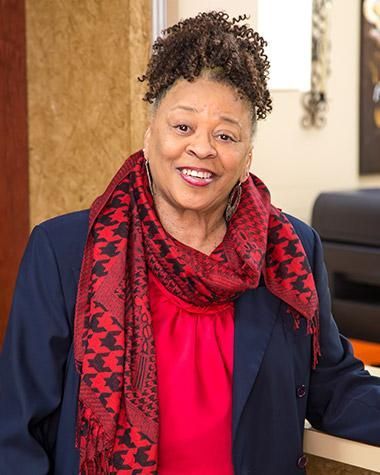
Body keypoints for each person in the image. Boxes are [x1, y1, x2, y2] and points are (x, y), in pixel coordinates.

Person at [0, 11, 379, 475]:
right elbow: (15, 432)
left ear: (247, 156)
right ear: (149, 134)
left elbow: (335, 387)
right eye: (182, 127)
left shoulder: (291, 251)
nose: (202, 148)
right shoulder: (62, 253)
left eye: (225, 134)